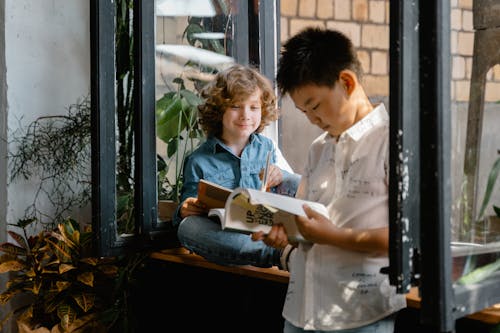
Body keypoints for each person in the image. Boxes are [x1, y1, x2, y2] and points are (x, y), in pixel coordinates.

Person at [252, 27, 407, 332]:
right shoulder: (318, 149)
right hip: (301, 311)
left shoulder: (393, 142)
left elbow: (407, 239)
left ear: (347, 82)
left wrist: (332, 236)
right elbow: (303, 222)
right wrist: (282, 232)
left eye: (315, 106)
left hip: (360, 313)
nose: (312, 119)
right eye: (303, 111)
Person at [173, 64, 301, 269]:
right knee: (187, 228)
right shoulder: (199, 160)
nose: (245, 115)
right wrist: (186, 208)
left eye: (253, 107)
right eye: (235, 106)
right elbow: (187, 205)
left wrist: (279, 174)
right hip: (228, 234)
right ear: (218, 110)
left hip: (264, 223)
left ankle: (316, 240)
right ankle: (279, 255)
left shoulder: (266, 146)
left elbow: (282, 187)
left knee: (295, 180)